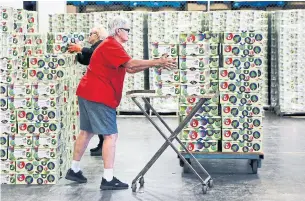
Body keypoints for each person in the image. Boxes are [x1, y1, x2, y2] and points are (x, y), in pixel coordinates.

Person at [65, 16, 177, 190]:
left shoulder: (111, 45)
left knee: (86, 132)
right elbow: (131, 64)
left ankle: (74, 169)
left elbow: (130, 68)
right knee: (110, 136)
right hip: (99, 94)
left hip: (87, 92)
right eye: (127, 30)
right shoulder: (111, 45)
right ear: (118, 31)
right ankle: (108, 179)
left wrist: (155, 64)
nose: (129, 33)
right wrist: (158, 61)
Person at [68, 26, 108, 156]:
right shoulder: (95, 47)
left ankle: (104, 145)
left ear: (97, 35)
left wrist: (80, 48)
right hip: (97, 87)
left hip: (101, 87)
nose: (89, 36)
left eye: (91, 34)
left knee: (99, 118)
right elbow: (86, 60)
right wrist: (77, 53)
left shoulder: (101, 45)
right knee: (97, 118)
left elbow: (92, 52)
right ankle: (102, 144)